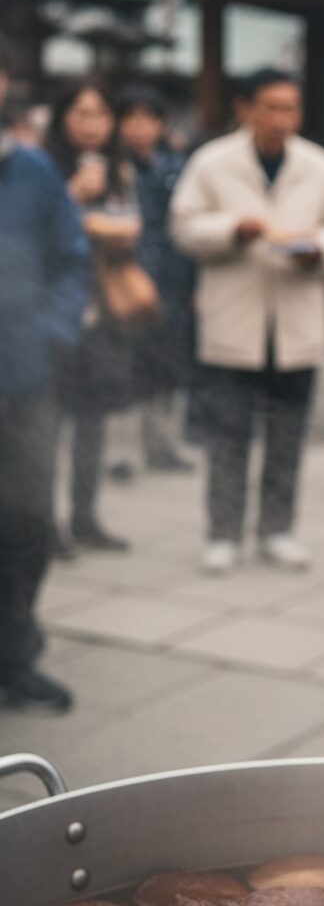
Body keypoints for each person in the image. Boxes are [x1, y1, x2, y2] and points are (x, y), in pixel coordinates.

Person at [171, 68, 324, 574]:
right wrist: (235, 228)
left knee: (287, 434)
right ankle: (222, 531)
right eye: (272, 107)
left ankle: (278, 529)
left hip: (296, 323)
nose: (282, 118)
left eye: (290, 108)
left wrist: (318, 249)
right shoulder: (212, 163)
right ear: (246, 108)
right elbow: (184, 225)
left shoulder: (318, 165)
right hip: (233, 322)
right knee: (228, 433)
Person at [0, 37, 91, 712]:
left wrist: (55, 333)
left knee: (28, 519)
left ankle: (15, 654)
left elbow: (72, 261)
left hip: (27, 376)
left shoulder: (30, 171)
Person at [46, 80, 142, 556]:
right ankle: (44, 522)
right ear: (63, 118)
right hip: (54, 315)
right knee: (47, 424)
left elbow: (130, 226)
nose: (91, 124)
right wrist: (73, 197)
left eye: (100, 114)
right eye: (81, 113)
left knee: (93, 420)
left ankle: (85, 516)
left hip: (104, 314)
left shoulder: (118, 170)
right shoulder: (41, 167)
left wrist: (99, 220)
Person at [117, 85, 194, 474]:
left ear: (162, 125)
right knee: (125, 364)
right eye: (131, 118)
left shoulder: (178, 169)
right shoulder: (113, 169)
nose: (139, 128)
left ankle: (161, 444)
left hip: (172, 280)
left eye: (148, 119)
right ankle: (122, 453)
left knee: (167, 366)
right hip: (124, 280)